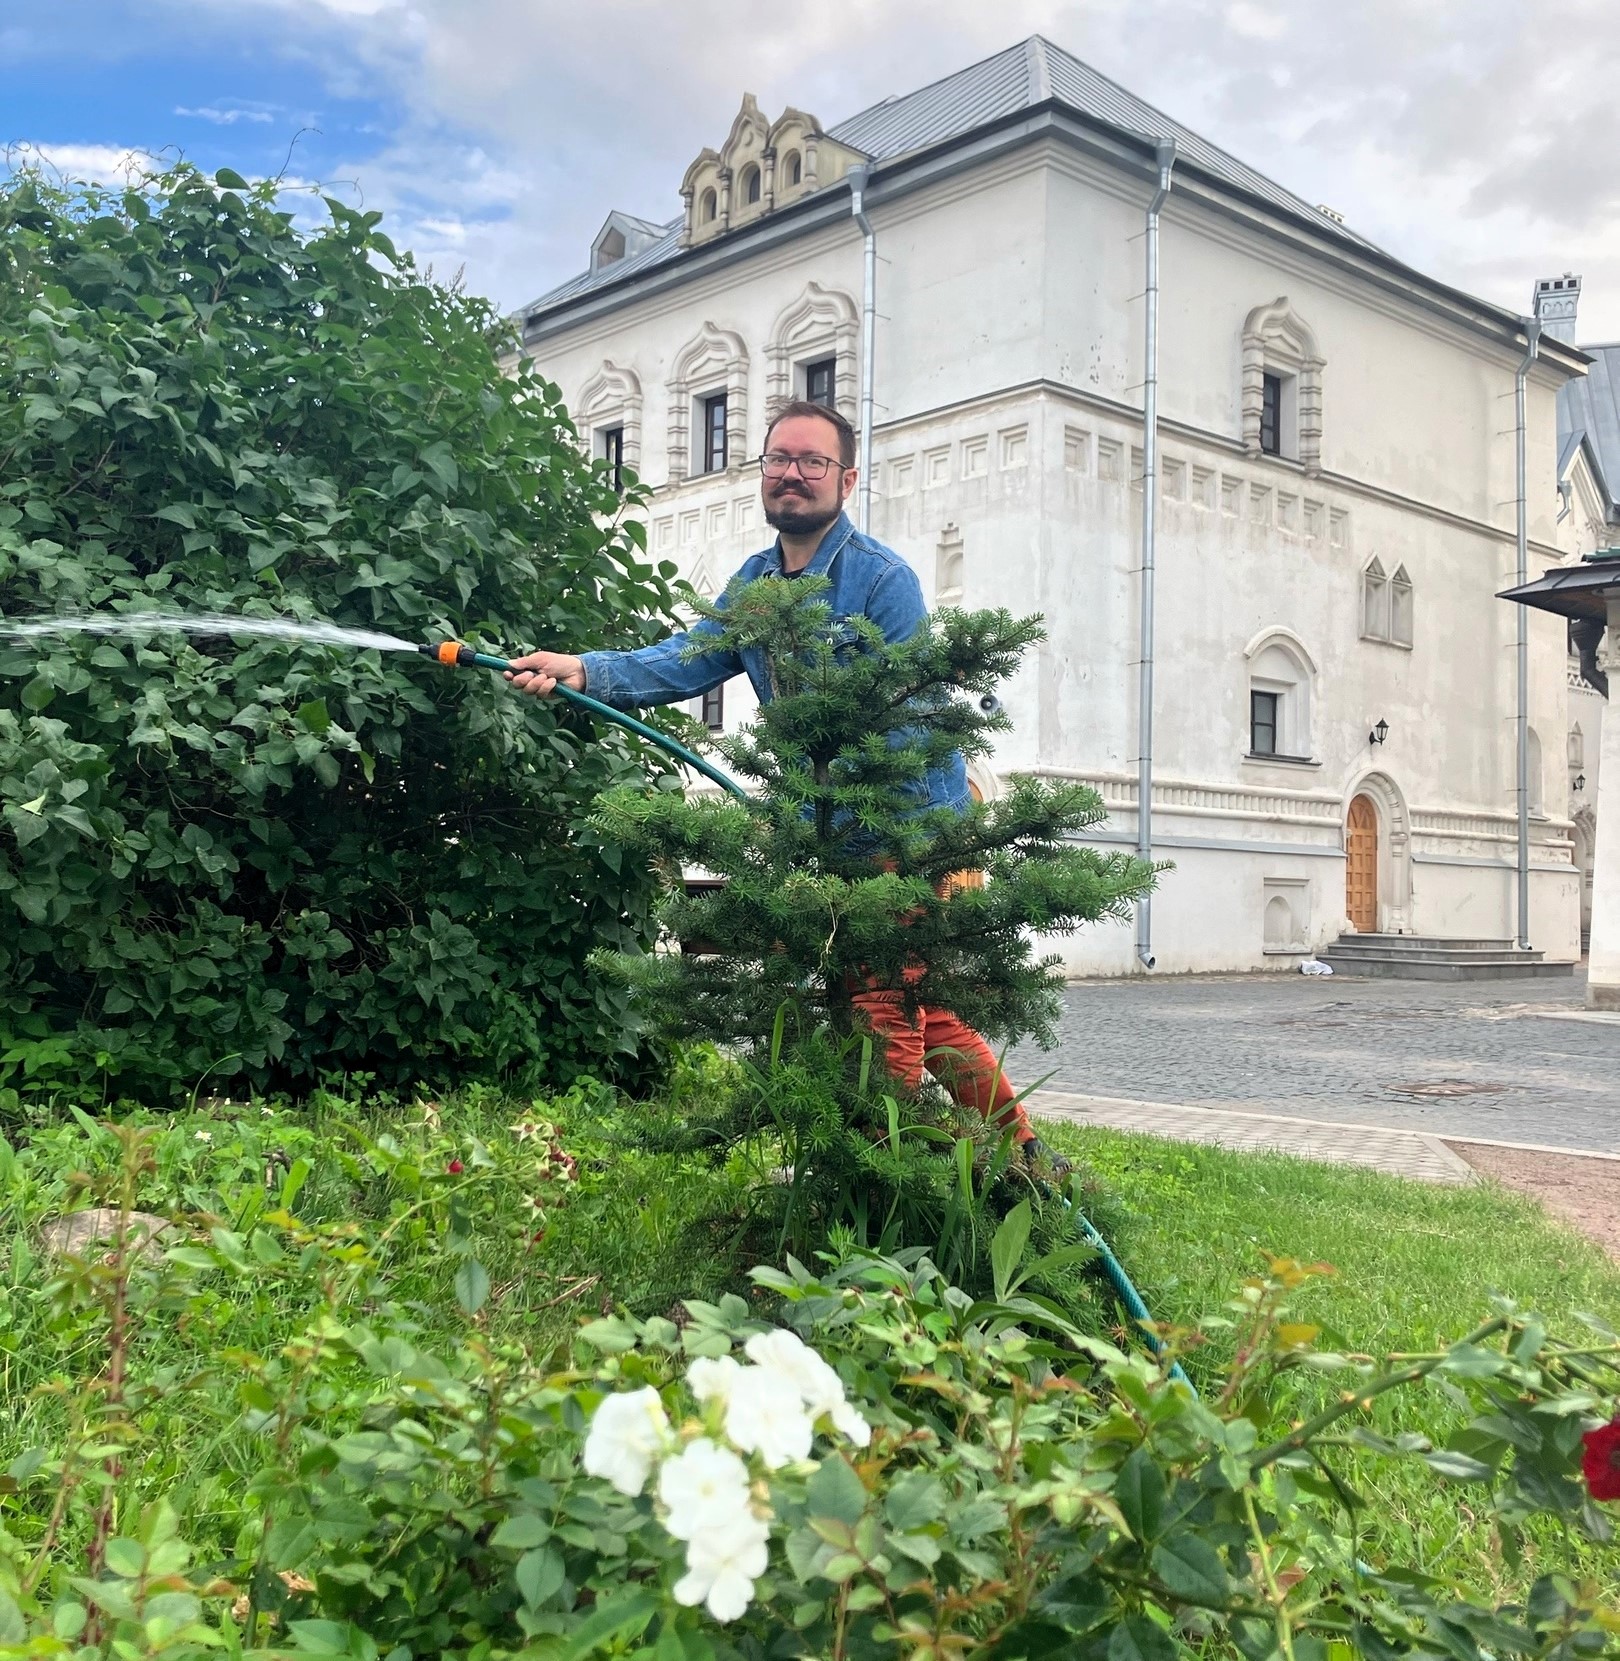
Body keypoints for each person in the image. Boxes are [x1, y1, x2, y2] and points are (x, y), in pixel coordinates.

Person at [506, 399, 1066, 1177]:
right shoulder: (757, 583)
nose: (793, 474)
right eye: (779, 460)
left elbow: (900, 734)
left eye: (812, 462)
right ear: (763, 474)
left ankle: (882, 1177)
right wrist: (583, 668)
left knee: (884, 1011)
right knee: (925, 1011)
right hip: (830, 835)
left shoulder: (882, 581)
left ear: (847, 478)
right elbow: (684, 658)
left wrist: (850, 846)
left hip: (901, 835)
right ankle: (1031, 1158)